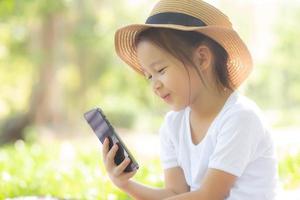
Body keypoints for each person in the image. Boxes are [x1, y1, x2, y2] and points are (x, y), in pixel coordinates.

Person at [102, 0, 278, 199]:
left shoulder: (240, 117)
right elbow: (176, 193)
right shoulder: (173, 125)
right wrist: (124, 184)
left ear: (202, 58)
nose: (154, 85)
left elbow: (208, 196)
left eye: (160, 70)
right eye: (149, 76)